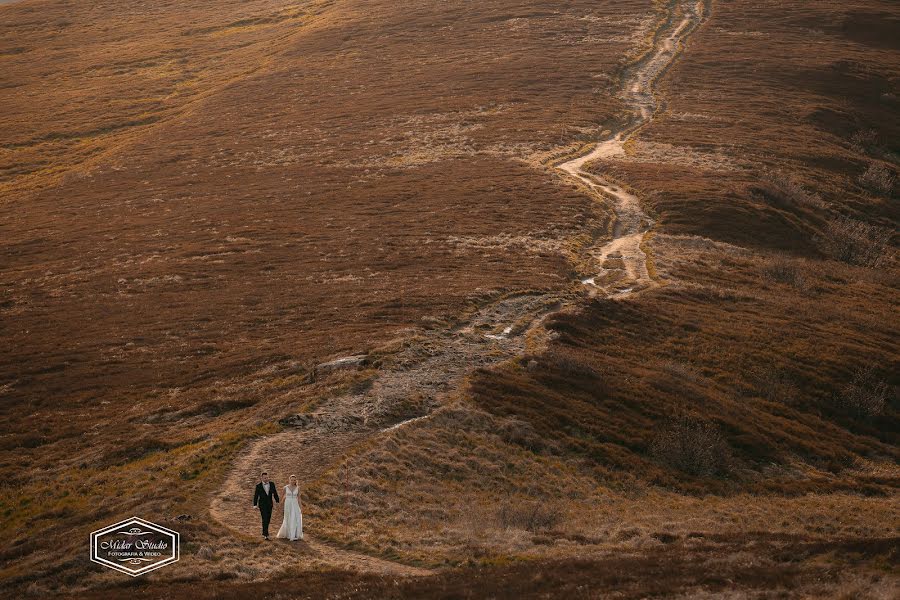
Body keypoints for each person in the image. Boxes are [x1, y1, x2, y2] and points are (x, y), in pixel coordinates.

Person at [252, 471, 280, 540]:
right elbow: (256, 496)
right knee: (264, 519)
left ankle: (265, 532)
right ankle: (265, 534)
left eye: (267, 477)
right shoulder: (258, 486)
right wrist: (255, 505)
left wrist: (277, 501)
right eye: (265, 478)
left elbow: (275, 493)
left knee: (268, 519)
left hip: (270, 504)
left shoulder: (272, 484)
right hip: (262, 505)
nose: (266, 479)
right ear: (261, 478)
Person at [276, 474, 303, 541]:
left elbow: (299, 498)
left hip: (295, 504)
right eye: (291, 480)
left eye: (294, 480)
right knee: (288, 517)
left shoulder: (298, 488)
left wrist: (301, 507)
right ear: (289, 480)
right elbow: (282, 497)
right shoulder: (285, 487)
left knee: (295, 518)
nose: (293, 481)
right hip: (287, 504)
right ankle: (288, 533)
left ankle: (294, 534)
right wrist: (280, 504)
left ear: (295, 481)